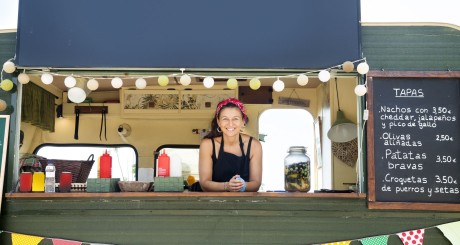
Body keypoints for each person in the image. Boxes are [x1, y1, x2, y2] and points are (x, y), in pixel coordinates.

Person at [198, 98, 262, 192]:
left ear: (243, 121)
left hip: (244, 203)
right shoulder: (208, 145)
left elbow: (256, 184)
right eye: (225, 119)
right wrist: (227, 186)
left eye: (235, 119)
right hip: (212, 202)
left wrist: (241, 186)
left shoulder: (254, 145)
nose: (230, 124)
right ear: (218, 122)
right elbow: (204, 183)